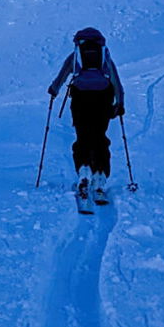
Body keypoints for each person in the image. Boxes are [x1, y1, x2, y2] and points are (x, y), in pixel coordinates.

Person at [46, 27, 126, 205]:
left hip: (81, 99)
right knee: (99, 138)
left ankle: (84, 174)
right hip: (103, 99)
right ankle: (99, 178)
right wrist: (120, 103)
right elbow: (115, 80)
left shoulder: (75, 56)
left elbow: (62, 75)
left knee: (83, 137)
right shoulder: (105, 56)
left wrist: (54, 90)